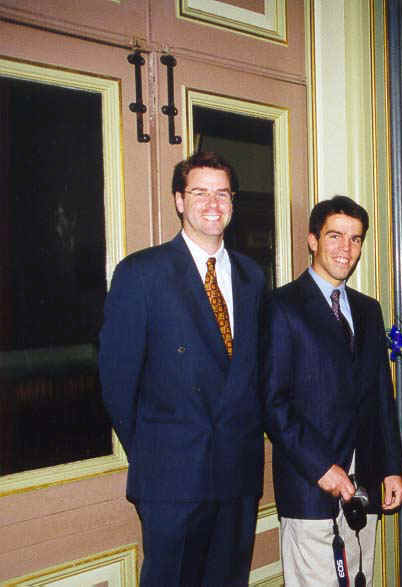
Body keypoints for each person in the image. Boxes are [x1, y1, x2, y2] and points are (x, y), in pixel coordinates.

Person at [99, 152, 265, 586]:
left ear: (233, 202)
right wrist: (158, 452)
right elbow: (118, 383)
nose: (213, 203)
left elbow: (253, 374)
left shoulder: (252, 276)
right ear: (179, 200)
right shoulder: (142, 273)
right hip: (172, 480)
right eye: (200, 192)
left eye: (222, 193)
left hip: (236, 477)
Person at [261, 195, 402, 586]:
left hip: (365, 481)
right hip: (311, 486)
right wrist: (321, 468)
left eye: (356, 239)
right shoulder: (282, 306)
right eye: (335, 236)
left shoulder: (368, 309)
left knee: (359, 579)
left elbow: (381, 397)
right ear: (312, 240)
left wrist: (392, 467)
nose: (346, 249)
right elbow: (273, 404)